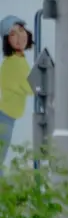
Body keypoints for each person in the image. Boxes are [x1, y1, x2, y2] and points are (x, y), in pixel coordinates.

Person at [0, 16, 33, 169]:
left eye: (21, 30)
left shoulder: (19, 59)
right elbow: (31, 87)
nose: (20, 36)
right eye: (13, 34)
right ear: (7, 40)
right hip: (4, 118)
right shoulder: (13, 63)